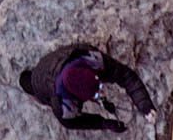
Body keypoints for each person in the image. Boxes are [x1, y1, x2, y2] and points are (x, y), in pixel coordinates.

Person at [14, 43, 155, 131]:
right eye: (95, 94)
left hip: (54, 63)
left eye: (98, 83)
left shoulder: (89, 57)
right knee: (36, 87)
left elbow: (126, 76)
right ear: (76, 98)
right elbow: (73, 122)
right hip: (44, 81)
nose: (100, 90)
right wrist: (103, 123)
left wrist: (145, 106)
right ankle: (30, 83)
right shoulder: (62, 107)